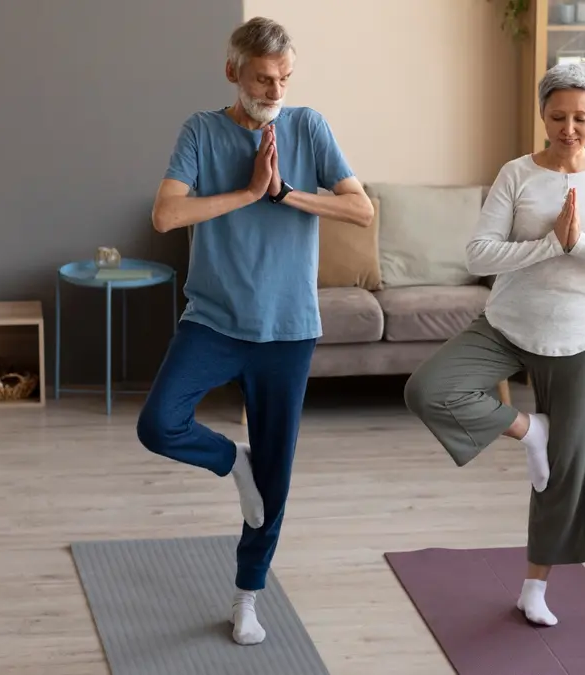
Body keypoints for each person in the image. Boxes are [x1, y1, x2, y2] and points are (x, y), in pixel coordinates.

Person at [136, 16, 373, 646]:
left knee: (278, 474)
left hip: (288, 330)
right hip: (212, 321)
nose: (274, 90)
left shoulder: (308, 127)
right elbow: (165, 215)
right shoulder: (202, 131)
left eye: (284, 78)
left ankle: (248, 597)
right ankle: (229, 461)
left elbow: (361, 208)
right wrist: (247, 193)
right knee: (159, 425)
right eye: (263, 78)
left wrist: (285, 193)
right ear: (233, 72)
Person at [403, 61, 585, 627]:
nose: (569, 127)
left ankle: (534, 589)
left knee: (565, 474)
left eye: (581, 117)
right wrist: (549, 244)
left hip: (580, 336)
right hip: (509, 327)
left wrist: (584, 249)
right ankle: (529, 431)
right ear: (542, 115)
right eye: (557, 116)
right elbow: (477, 254)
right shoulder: (517, 174)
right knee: (428, 389)